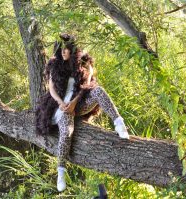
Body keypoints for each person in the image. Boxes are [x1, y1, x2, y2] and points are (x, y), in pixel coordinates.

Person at [35, 33, 129, 192]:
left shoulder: (80, 61)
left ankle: (119, 123)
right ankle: (61, 171)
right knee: (66, 132)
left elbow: (87, 81)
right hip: (61, 106)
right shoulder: (54, 64)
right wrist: (61, 103)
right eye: (61, 49)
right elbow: (51, 88)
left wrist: (74, 102)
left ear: (72, 49)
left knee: (98, 91)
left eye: (67, 49)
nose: (64, 52)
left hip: (77, 102)